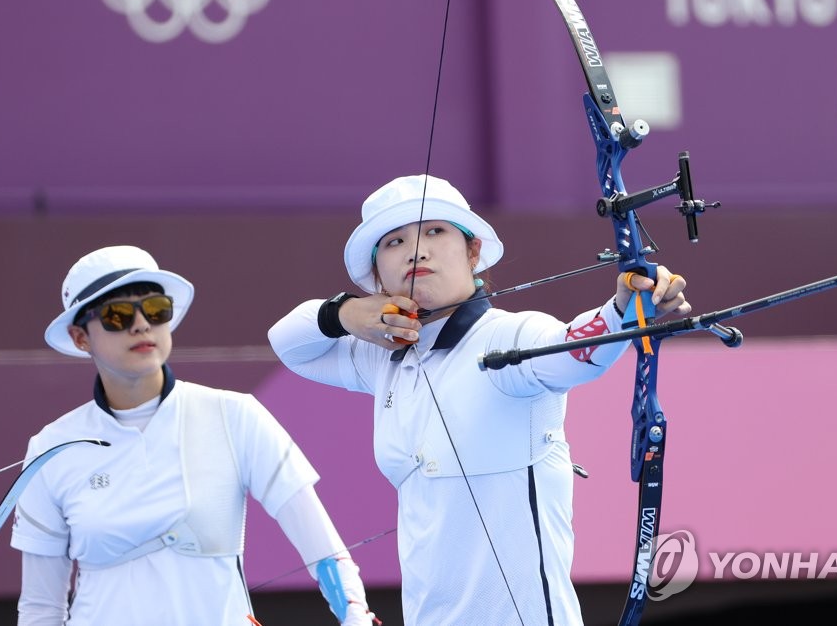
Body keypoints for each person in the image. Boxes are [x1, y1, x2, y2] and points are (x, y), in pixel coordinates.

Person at [267, 175, 691, 625]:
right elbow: (288, 342)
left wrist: (624, 306)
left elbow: (576, 351)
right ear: (377, 275)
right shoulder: (384, 358)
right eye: (394, 242)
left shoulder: (508, 336)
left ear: (473, 252)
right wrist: (344, 312)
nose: (415, 251)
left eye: (435, 232)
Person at [12, 245, 376, 626]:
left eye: (154, 309)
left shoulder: (236, 415)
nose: (141, 325)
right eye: (116, 315)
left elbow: (326, 554)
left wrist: (356, 615)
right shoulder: (48, 448)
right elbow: (40, 609)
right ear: (80, 337)